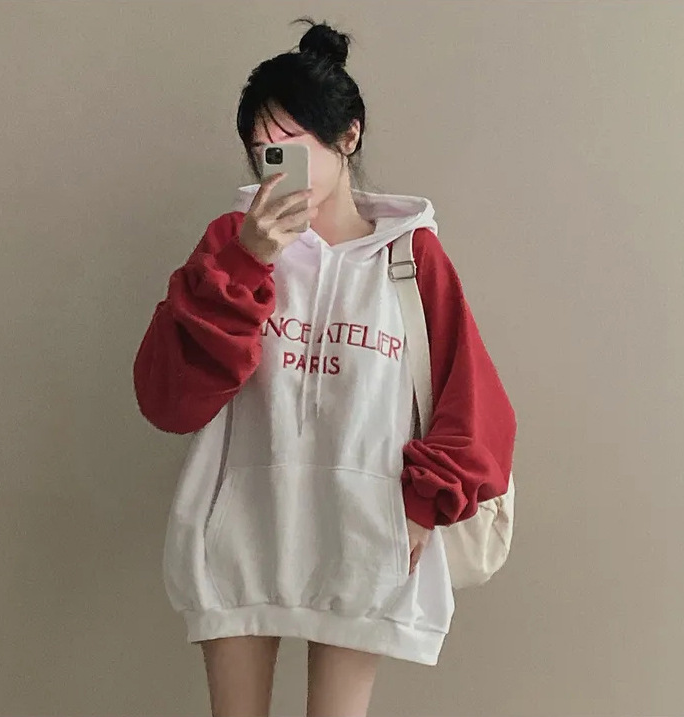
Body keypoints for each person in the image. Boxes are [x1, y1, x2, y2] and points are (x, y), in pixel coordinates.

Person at [132, 16, 516, 717]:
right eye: (264, 151)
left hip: (362, 536)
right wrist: (247, 262)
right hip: (242, 534)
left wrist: (422, 507)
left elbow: (475, 403)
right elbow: (169, 399)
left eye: (295, 144)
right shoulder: (231, 243)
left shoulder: (411, 258)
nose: (278, 165)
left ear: (349, 136)